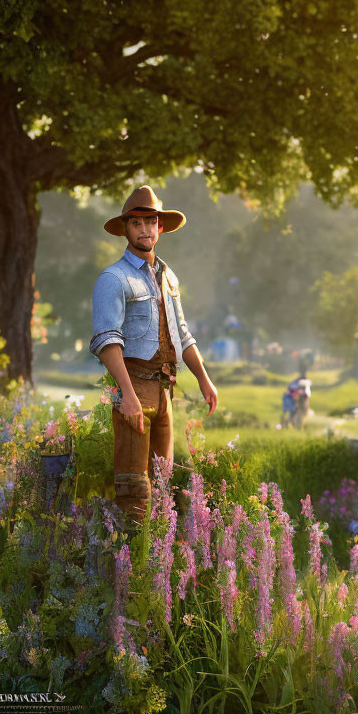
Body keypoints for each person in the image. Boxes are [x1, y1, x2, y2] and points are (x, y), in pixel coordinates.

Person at [89, 185, 217, 527]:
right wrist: (127, 396)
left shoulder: (168, 277)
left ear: (160, 227)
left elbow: (182, 334)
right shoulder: (113, 278)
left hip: (164, 390)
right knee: (133, 489)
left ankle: (158, 565)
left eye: (151, 221)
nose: (145, 229)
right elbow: (107, 342)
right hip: (134, 389)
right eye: (136, 223)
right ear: (126, 229)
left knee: (163, 484)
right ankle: (127, 567)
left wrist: (204, 378)